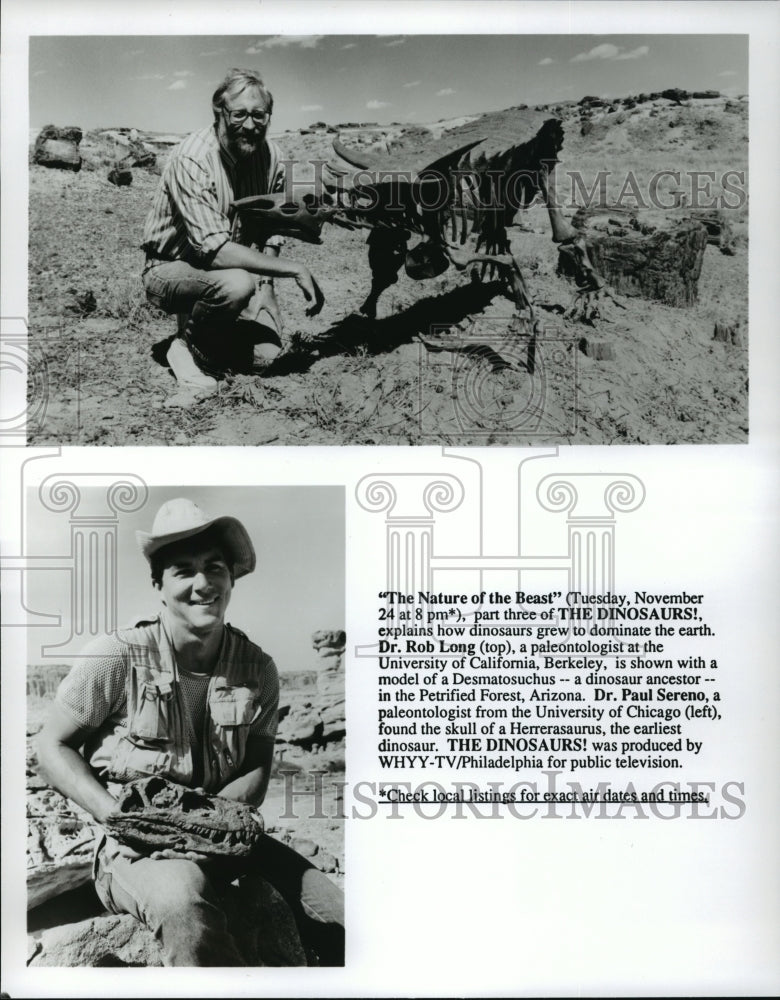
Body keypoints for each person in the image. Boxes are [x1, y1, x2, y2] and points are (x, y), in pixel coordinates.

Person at [36, 497, 344, 967]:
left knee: (335, 912)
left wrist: (212, 821)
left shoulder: (257, 668)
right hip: (133, 845)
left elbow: (258, 764)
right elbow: (51, 744)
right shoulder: (116, 657)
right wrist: (117, 817)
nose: (203, 584)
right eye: (183, 570)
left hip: (221, 834)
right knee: (186, 905)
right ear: (158, 584)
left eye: (214, 568)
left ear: (231, 580)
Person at [141, 68, 325, 389]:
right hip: (169, 270)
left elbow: (272, 222)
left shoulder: (272, 157)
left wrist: (266, 285)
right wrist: (292, 269)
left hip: (221, 272)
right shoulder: (193, 158)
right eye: (239, 115)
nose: (251, 125)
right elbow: (213, 249)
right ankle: (185, 347)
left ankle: (212, 339)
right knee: (237, 284)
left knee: (269, 356)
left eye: (259, 115)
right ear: (220, 111)